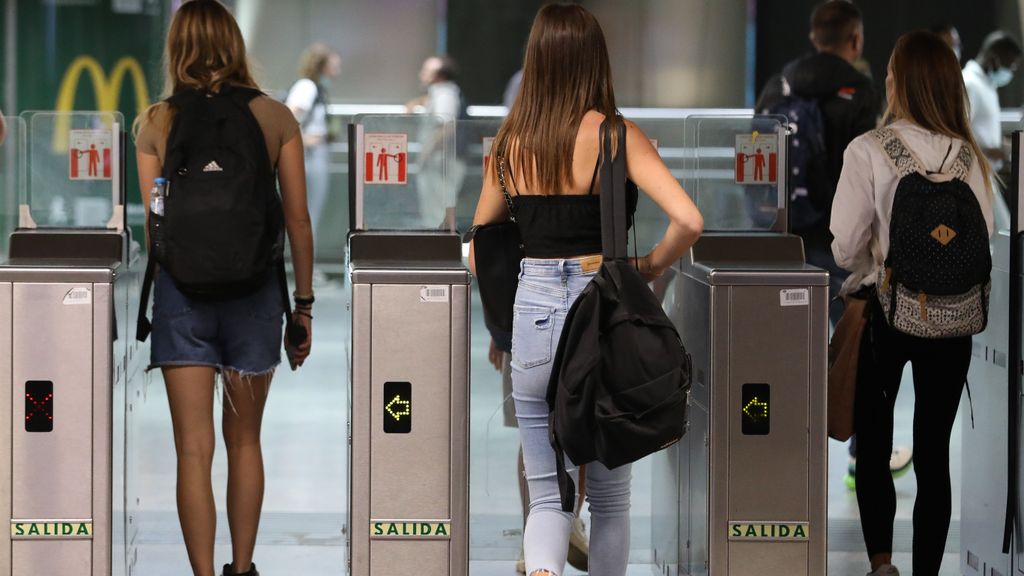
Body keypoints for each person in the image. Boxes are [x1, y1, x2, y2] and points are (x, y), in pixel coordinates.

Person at [470, 5, 703, 575]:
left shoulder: (510, 146)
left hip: (533, 316)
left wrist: (504, 322)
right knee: (611, 495)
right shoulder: (617, 137)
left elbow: (481, 245)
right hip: (605, 319)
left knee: (549, 494)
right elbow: (689, 221)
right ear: (595, 60)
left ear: (537, 61)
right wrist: (646, 266)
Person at [133, 2, 314, 575]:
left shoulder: (155, 123)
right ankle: (242, 568)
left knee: (193, 450)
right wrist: (303, 307)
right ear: (234, 45)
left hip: (182, 298)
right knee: (245, 443)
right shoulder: (275, 117)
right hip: (256, 295)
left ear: (177, 48)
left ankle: (204, 575)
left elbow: (155, 219)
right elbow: (298, 219)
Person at [831, 30, 995, 576]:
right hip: (955, 319)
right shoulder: (970, 156)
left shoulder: (870, 149)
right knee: (933, 452)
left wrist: (866, 268)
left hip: (886, 313)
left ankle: (882, 565)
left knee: (874, 445)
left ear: (897, 82)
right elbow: (984, 239)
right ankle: (928, 570)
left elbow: (846, 245)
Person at [286, 43, 340, 286]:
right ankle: (307, 271)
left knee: (310, 214)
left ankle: (308, 269)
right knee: (308, 214)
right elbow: (291, 115)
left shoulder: (315, 88)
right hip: (308, 159)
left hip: (314, 157)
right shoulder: (307, 87)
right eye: (333, 61)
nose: (337, 65)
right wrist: (304, 139)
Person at [408, 55, 466, 229]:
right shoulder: (441, 93)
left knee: (437, 212)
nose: (422, 75)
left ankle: (438, 253)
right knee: (435, 210)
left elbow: (445, 127)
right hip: (439, 161)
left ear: (439, 76)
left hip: (440, 162)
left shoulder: (445, 94)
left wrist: (425, 155)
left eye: (427, 71)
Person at [963, 31, 1022, 173]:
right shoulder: (969, 84)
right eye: (1009, 65)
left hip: (987, 172)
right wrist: (989, 151)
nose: (1010, 71)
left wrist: (1000, 145)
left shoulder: (988, 84)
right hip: (972, 173)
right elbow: (957, 136)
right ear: (993, 58)